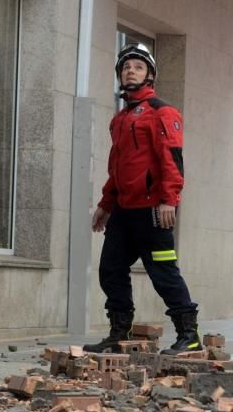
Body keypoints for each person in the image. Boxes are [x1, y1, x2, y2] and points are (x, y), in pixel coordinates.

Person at [84, 43, 201, 355]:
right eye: (125, 67)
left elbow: (172, 159)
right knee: (110, 270)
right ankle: (118, 334)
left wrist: (169, 200)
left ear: (150, 74)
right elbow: (117, 168)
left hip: (153, 210)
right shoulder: (120, 120)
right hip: (124, 211)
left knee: (163, 273)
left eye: (137, 66)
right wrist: (106, 204)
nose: (130, 70)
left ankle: (188, 335)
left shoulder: (162, 112)